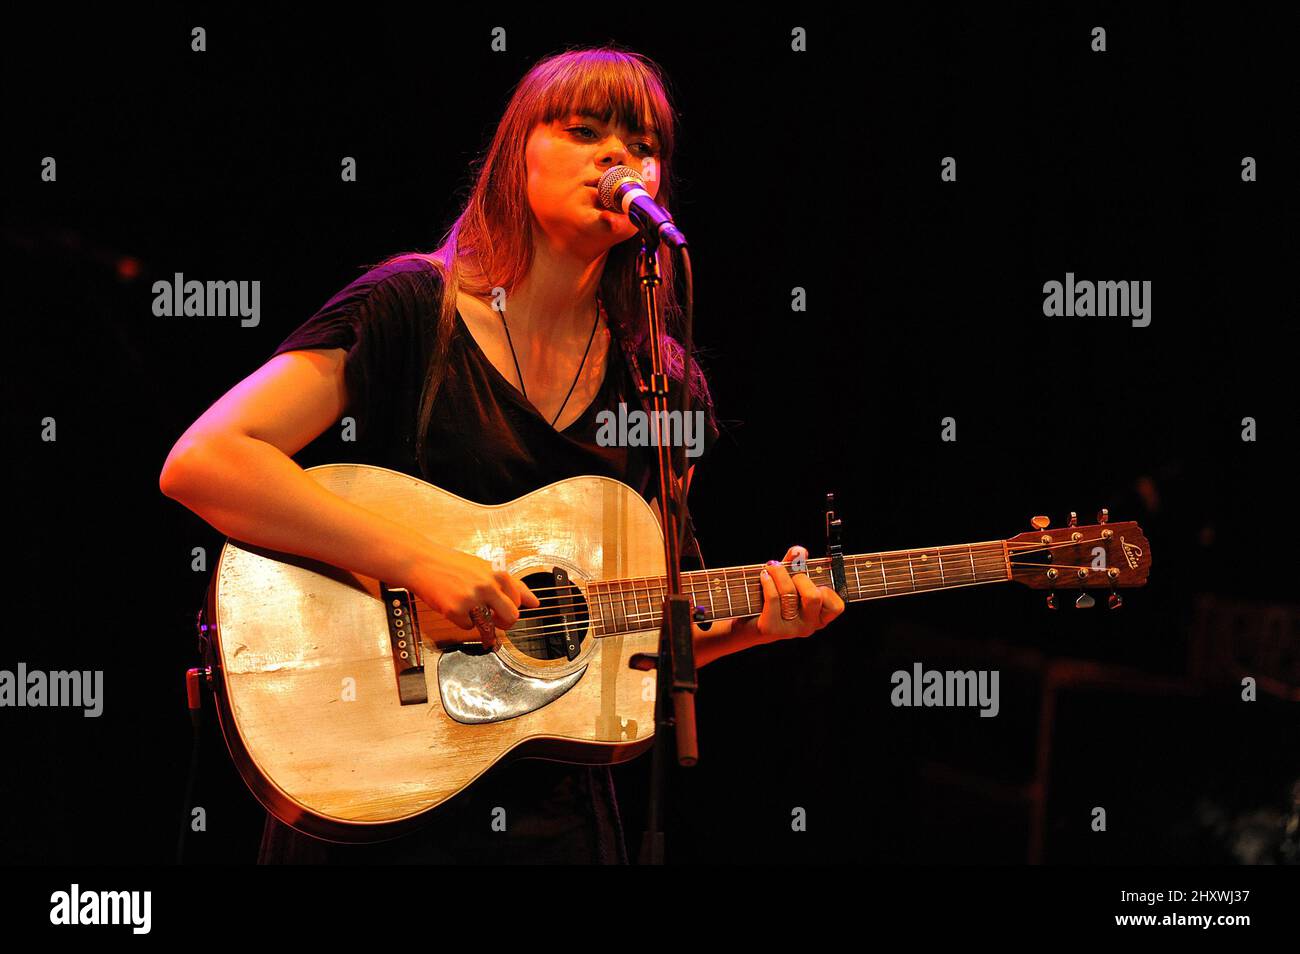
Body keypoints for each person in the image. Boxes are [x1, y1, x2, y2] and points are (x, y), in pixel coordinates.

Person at [159, 45, 845, 864]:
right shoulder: (412, 310)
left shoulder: (663, 385)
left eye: (644, 145)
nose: (619, 159)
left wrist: (754, 629)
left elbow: (635, 628)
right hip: (371, 777)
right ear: (517, 152)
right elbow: (206, 460)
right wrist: (422, 564)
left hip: (550, 815)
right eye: (586, 130)